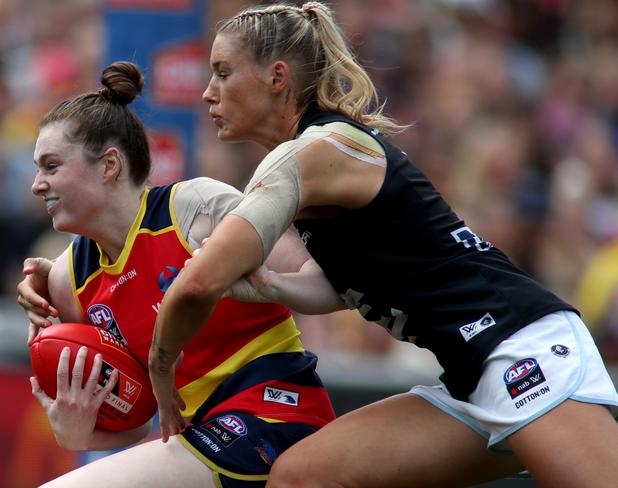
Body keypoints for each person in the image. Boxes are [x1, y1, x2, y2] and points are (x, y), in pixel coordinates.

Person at [146, 3, 618, 488]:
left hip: (523, 351)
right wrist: (272, 286)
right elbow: (339, 285)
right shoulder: (311, 160)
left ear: (276, 77)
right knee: (302, 477)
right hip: (472, 375)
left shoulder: (310, 153)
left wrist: (160, 369)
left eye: (223, 73)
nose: (208, 92)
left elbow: (199, 283)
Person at [19, 60, 336, 488]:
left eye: (51, 166)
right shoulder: (66, 279)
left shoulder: (196, 209)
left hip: (278, 415)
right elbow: (136, 414)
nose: (37, 184)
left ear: (110, 164)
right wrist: (75, 431)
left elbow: (323, 278)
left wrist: (267, 286)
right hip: (198, 436)